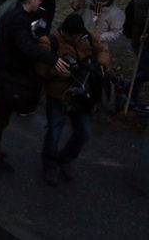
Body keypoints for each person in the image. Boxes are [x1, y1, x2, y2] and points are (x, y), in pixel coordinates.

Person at [0, 0, 69, 172]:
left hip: (3, 74)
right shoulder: (19, 19)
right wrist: (52, 59)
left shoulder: (16, 15)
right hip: (7, 77)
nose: (41, 2)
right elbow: (24, 45)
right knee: (1, 117)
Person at [35, 14, 109, 186]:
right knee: (54, 131)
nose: (77, 38)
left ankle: (66, 158)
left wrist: (100, 66)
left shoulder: (88, 37)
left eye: (79, 35)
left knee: (84, 131)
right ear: (66, 33)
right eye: (74, 36)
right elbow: (40, 69)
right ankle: (50, 167)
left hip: (83, 95)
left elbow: (103, 51)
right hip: (59, 94)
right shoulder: (49, 42)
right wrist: (56, 71)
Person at [124, 0, 149, 109]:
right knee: (146, 71)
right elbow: (141, 20)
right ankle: (127, 89)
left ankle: (131, 98)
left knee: (141, 70)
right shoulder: (142, 1)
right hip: (141, 41)